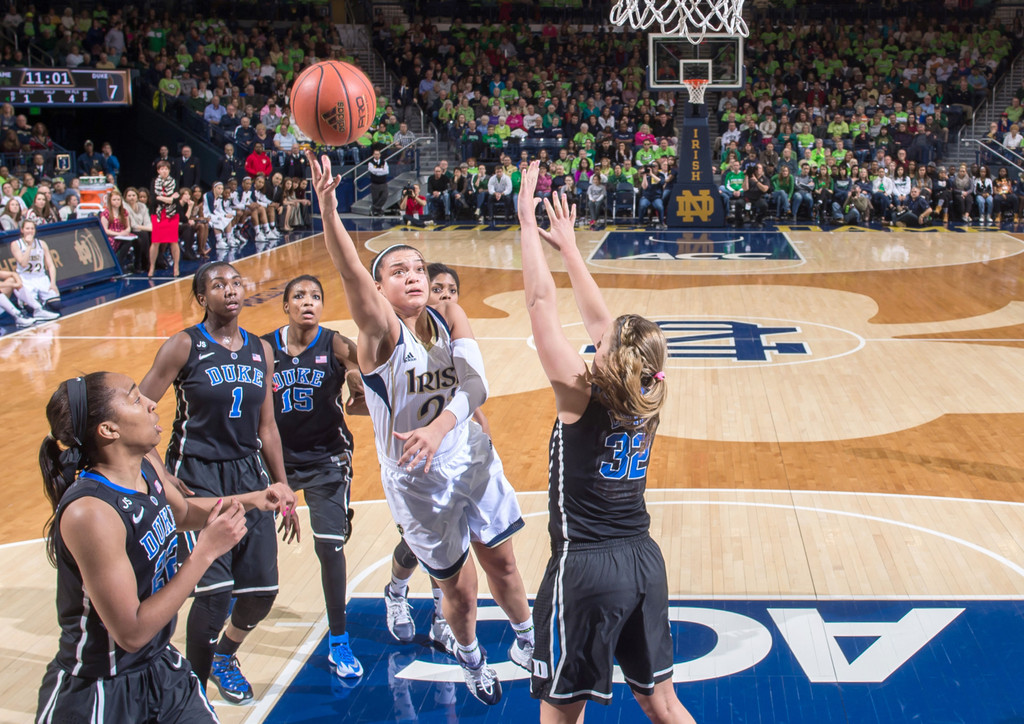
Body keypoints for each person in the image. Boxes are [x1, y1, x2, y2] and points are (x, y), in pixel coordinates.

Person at [306, 150, 533, 706]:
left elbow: (476, 388)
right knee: (459, 583)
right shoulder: (380, 334)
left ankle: (530, 641)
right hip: (417, 475)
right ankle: (473, 656)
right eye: (397, 271)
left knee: (502, 557)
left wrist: (442, 428)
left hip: (468, 452)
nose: (412, 276)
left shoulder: (448, 315)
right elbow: (349, 271)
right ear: (380, 290)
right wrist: (330, 212)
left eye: (418, 269)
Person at [517, 162, 696, 724]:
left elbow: (541, 307)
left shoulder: (579, 393)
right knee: (661, 702)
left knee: (561, 714)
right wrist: (569, 248)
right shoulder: (648, 390)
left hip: (586, 568)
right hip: (644, 560)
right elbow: (603, 326)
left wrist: (527, 225)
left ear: (610, 353)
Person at [34, 372, 293, 723]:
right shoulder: (90, 512)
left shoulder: (146, 465)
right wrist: (204, 553)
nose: (151, 403)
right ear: (109, 430)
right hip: (101, 689)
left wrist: (254, 498)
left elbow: (184, 512)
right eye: (135, 398)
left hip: (161, 666)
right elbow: (132, 632)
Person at [138, 262, 300, 705]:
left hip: (250, 473)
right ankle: (192, 688)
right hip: (198, 476)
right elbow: (138, 409)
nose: (230, 290)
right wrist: (161, 471)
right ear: (201, 298)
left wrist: (283, 487)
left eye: (234, 283)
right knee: (213, 594)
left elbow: (267, 427)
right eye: (217, 285)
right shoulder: (182, 346)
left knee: (261, 594)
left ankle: (224, 655)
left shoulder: (261, 350)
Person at [263, 275, 367, 680]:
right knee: (246, 539)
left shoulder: (335, 343)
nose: (309, 302)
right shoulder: (265, 347)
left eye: (316, 296)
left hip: (328, 459)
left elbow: (365, 366)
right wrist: (279, 482)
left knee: (330, 550)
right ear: (285, 305)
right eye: (300, 296)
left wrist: (358, 381)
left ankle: (338, 641)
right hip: (277, 464)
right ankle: (236, 613)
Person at [384, 263, 492, 649]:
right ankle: (396, 592)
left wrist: (480, 428)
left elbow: (470, 390)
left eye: (451, 290)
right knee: (416, 547)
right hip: (411, 461)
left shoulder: (451, 332)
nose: (444, 296)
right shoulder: (397, 333)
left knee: (448, 547)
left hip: (451, 454)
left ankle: (439, 614)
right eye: (438, 288)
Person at [9, 219, 61, 318]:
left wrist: (53, 283)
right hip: (26, 279)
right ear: (22, 230)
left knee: (56, 305)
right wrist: (29, 246)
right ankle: (32, 302)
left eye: (32, 228)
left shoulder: (42, 243)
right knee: (30, 309)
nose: (30, 231)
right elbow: (23, 264)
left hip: (41, 277)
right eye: (27, 228)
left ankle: (42, 301)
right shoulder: (16, 244)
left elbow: (50, 265)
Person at [150, 160, 181, 277]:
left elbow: (176, 198)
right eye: (161, 169)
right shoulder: (154, 182)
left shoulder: (175, 182)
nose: (164, 171)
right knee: (155, 241)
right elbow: (153, 198)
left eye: (166, 169)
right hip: (158, 214)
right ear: (158, 170)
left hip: (172, 215)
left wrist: (162, 197)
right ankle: (151, 266)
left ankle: (176, 266)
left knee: (173, 241)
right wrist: (168, 198)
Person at [367, 148, 389, 216]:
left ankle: (374, 208)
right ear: (373, 155)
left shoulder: (384, 162)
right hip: (375, 183)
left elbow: (386, 171)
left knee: (384, 196)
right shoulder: (370, 163)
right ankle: (378, 211)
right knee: (375, 198)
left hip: (383, 183)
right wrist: (380, 170)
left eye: (378, 154)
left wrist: (377, 171)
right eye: (375, 154)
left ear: (380, 155)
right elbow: (372, 171)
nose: (377, 156)